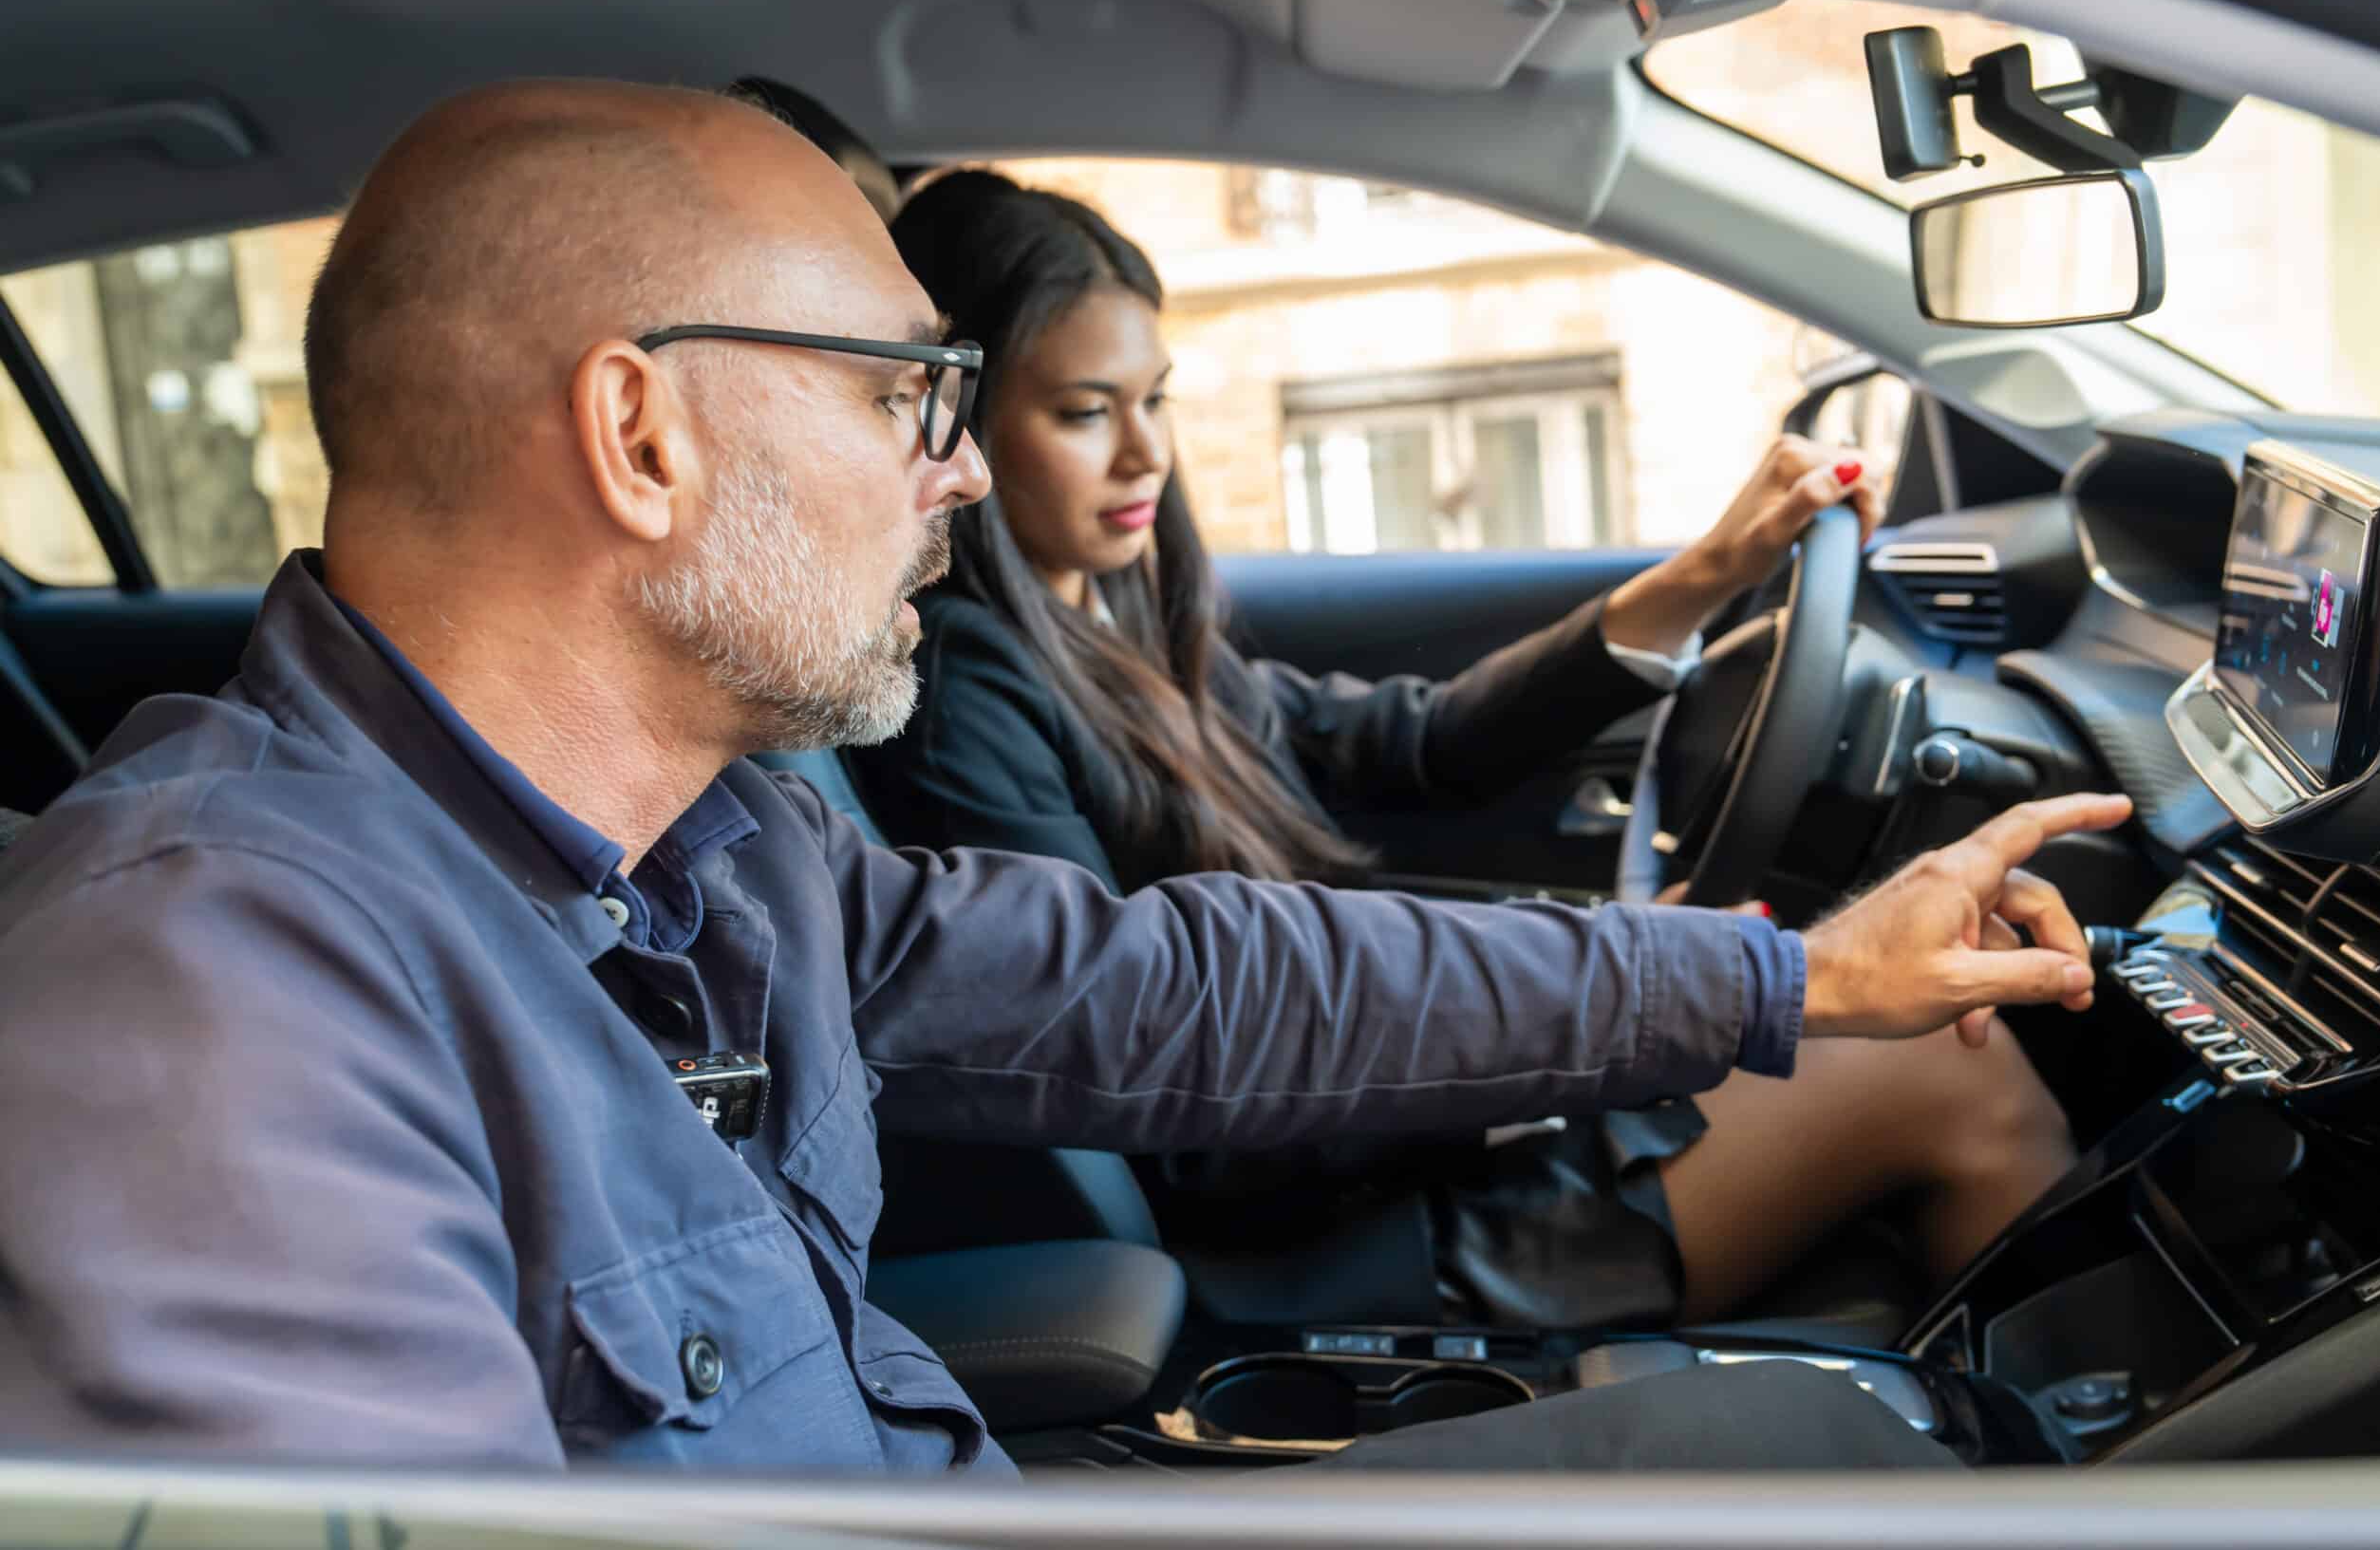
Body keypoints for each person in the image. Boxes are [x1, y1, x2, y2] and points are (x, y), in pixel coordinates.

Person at [0, 79, 2128, 1474]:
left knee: (1847, 1455)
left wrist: (1789, 987)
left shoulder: (727, 859)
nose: (953, 477)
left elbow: (1187, 982)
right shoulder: (209, 999)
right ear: (641, 436)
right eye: (904, 394)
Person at [857, 170, 2078, 1327]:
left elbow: (1422, 745)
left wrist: (1715, 570)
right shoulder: (968, 684)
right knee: (1957, 1076)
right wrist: (1581, 1046)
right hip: (1309, 1240)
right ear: (954, 420)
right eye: (1083, 413)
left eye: (1156, 398)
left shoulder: (1121, 617)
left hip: (1358, 1138)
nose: (1146, 454)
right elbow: (1144, 1061)